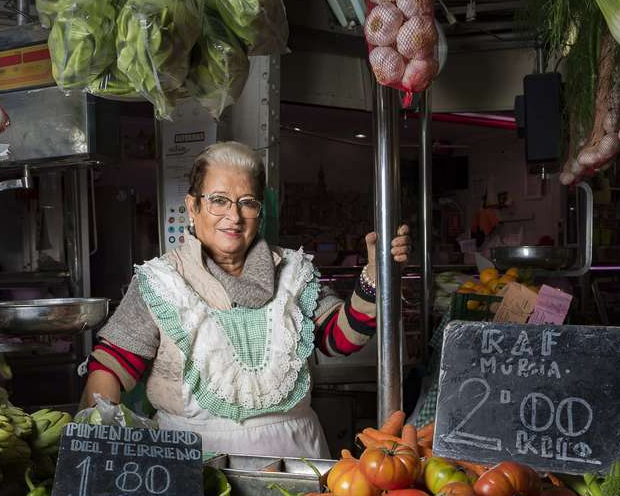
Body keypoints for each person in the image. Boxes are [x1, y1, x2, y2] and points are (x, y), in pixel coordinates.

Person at [81, 141, 410, 458]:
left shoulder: (294, 272)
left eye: (247, 202)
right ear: (193, 207)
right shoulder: (161, 281)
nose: (234, 216)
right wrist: (92, 449)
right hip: (194, 469)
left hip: (299, 470)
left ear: (260, 211)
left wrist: (372, 278)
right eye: (219, 201)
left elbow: (339, 339)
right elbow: (110, 366)